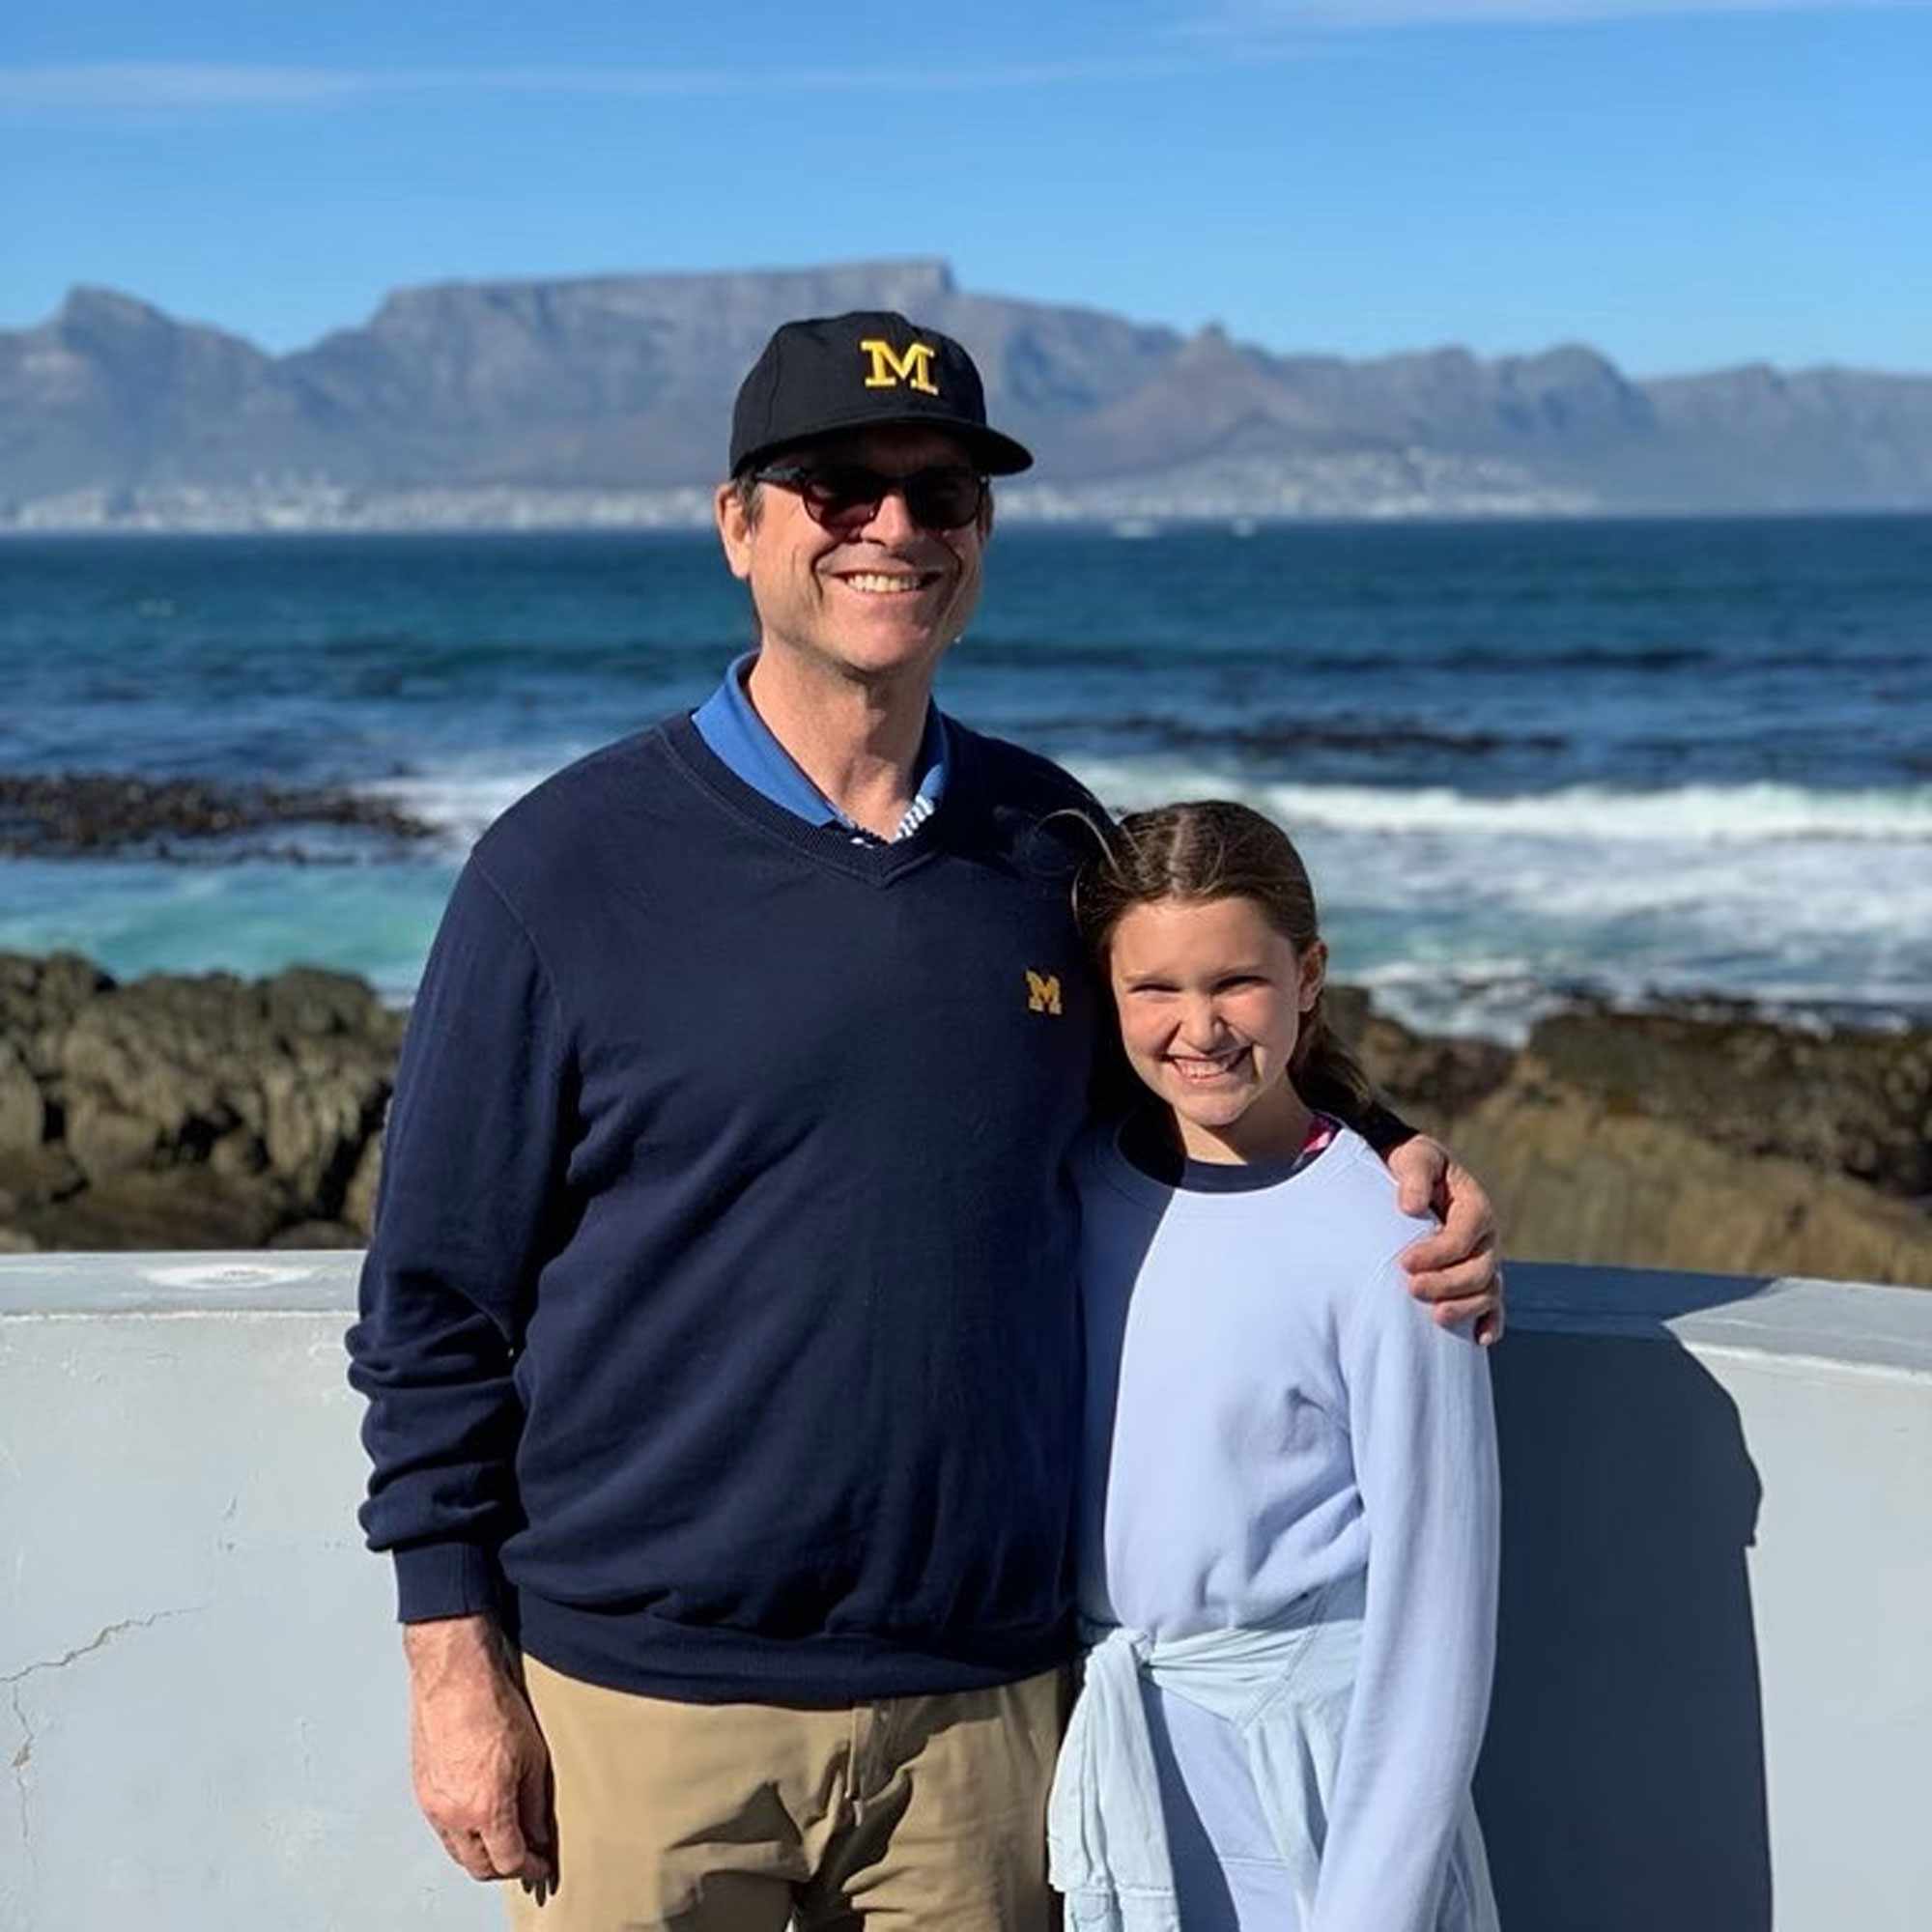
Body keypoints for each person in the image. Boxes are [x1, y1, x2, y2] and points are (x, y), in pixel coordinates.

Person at [346, 311, 1503, 1932]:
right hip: (646, 1713)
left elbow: (1203, 1064)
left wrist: (1391, 1151)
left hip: (986, 1720)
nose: (893, 527)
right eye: (836, 487)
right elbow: (429, 1311)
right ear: (739, 524)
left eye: (942, 494)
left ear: (982, 537)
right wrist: (455, 1677)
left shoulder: (1049, 847)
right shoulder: (563, 871)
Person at [1048, 800, 1500, 1932]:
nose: (1196, 1026)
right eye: (1153, 988)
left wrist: (1373, 1901)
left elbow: (1437, 1602)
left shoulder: (1388, 1238)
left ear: (1307, 975)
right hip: (1119, 1768)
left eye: (1234, 984)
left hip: (1315, 1782)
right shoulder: (1071, 1190)